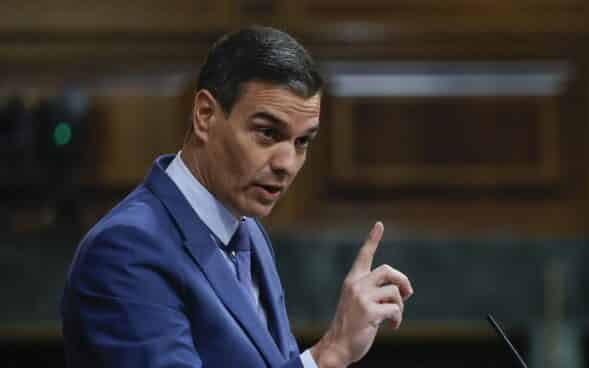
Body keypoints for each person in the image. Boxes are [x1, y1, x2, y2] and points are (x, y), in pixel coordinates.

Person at [61, 26, 413, 368]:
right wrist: (329, 354)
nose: (287, 163)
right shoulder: (126, 250)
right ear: (205, 115)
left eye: (301, 141)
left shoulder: (247, 231)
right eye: (267, 133)